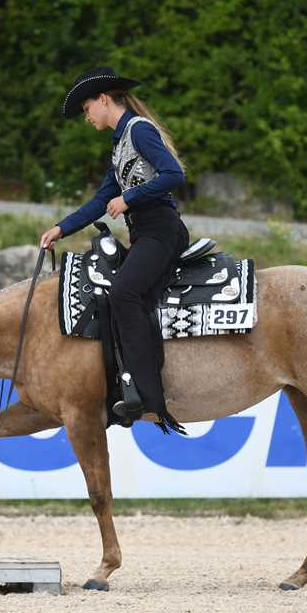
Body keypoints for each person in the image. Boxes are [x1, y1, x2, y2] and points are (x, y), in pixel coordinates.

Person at [40, 66, 190, 433]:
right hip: (145, 235)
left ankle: (146, 394)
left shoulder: (139, 130)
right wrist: (62, 228)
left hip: (162, 231)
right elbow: (100, 200)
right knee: (116, 292)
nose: (86, 117)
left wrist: (130, 198)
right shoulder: (119, 143)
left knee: (124, 292)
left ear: (104, 99)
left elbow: (174, 174)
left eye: (87, 108)